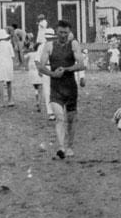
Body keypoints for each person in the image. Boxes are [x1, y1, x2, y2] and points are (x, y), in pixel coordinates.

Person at [37, 20, 86, 159]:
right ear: (56, 32)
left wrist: (66, 69)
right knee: (59, 118)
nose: (63, 35)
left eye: (66, 32)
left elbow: (81, 65)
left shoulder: (74, 44)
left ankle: (70, 146)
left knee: (71, 119)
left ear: (69, 32)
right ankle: (61, 147)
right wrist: (53, 74)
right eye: (60, 32)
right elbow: (40, 66)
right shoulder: (49, 46)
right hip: (56, 86)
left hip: (70, 86)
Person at [0, 29, 15, 107]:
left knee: (0, 83)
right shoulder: (8, 44)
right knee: (9, 82)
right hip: (8, 63)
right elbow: (12, 56)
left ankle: (1, 102)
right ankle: (10, 100)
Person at [27, 41, 44, 113]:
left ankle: (37, 100)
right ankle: (39, 103)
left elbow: (24, 58)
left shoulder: (30, 54)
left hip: (31, 73)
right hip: (38, 72)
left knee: (36, 88)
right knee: (40, 89)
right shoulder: (40, 55)